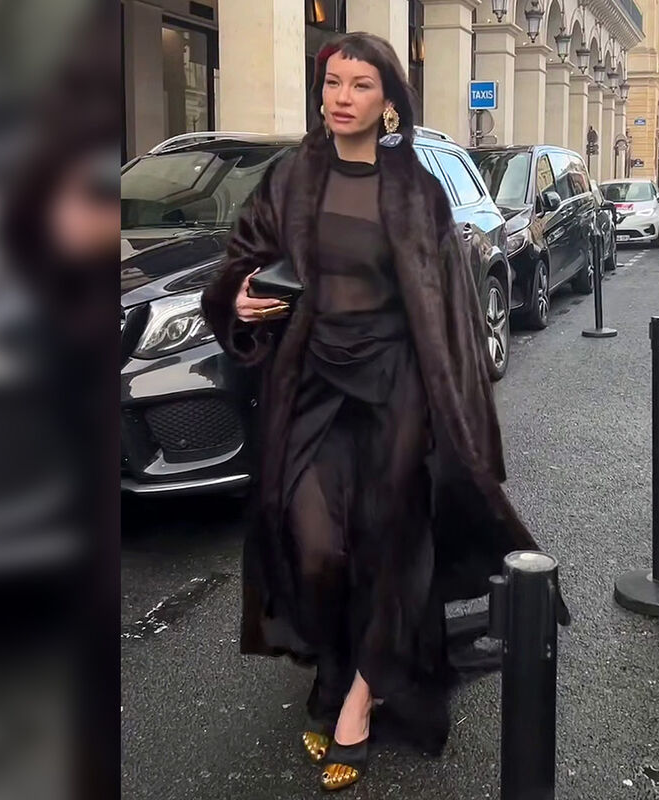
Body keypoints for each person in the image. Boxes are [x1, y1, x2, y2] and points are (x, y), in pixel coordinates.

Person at [201, 32, 569, 792]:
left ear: (388, 101)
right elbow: (242, 256)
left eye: (360, 84)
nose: (342, 97)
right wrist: (235, 297)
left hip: (398, 390)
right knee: (314, 546)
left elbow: (454, 314)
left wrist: (460, 418)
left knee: (390, 546)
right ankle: (340, 662)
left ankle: (357, 700)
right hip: (311, 388)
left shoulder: (417, 193)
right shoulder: (290, 178)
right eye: (332, 82)